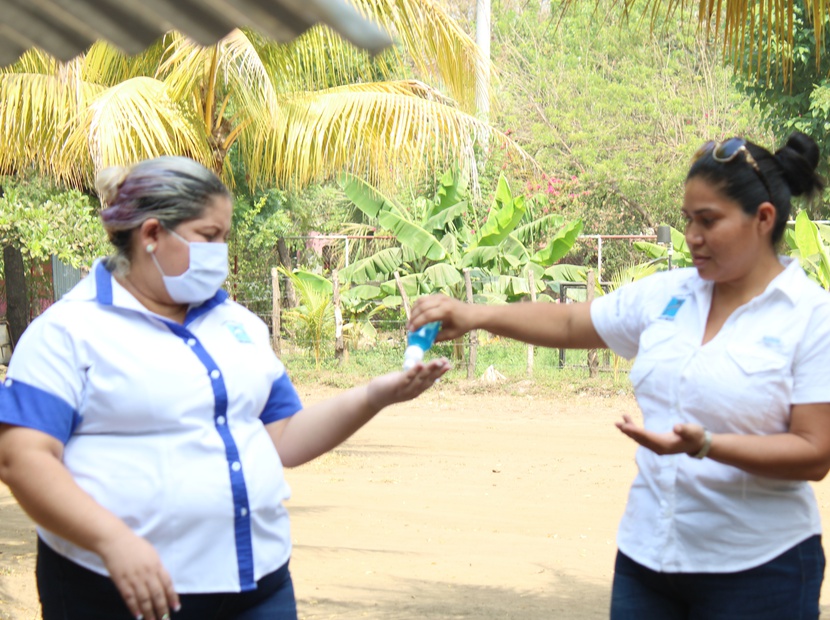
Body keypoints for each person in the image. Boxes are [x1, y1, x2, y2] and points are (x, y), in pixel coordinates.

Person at [0, 156, 450, 620]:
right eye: (208, 237)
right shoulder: (68, 331)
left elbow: (284, 437)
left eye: (225, 237)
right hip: (121, 590)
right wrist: (112, 541)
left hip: (257, 585)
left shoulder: (239, 325)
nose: (221, 250)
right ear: (151, 234)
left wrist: (377, 394)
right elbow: (22, 458)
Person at [409, 132, 830, 619]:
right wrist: (475, 313)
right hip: (647, 558)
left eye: (709, 221)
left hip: (760, 571)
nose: (692, 236)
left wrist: (707, 445)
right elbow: (571, 322)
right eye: (688, 220)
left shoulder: (811, 317)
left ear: (763, 219)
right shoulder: (667, 294)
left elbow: (813, 452)